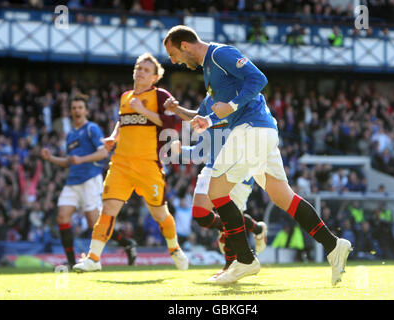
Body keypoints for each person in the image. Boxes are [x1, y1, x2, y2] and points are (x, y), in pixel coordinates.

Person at [163, 25, 351, 285]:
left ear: (184, 45)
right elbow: (221, 109)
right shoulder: (209, 70)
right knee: (282, 196)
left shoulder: (219, 54)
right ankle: (333, 245)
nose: (174, 62)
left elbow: (258, 78)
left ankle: (245, 260)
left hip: (251, 130)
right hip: (260, 131)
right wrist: (208, 119)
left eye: (173, 54)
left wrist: (230, 105)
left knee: (216, 191)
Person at [73, 53, 189, 272]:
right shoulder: (126, 96)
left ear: (155, 77)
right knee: (107, 209)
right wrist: (113, 137)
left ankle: (175, 249)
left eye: (146, 70)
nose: (140, 71)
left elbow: (171, 125)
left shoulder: (160, 95)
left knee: (160, 214)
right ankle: (93, 259)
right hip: (121, 164)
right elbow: (122, 121)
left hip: (148, 165)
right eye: (138, 67)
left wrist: (143, 110)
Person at [164, 94, 268, 280]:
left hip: (239, 168)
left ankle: (229, 267)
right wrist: (180, 151)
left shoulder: (242, 98)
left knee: (231, 220)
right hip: (212, 168)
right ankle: (253, 228)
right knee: (200, 214)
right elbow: (199, 150)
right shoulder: (209, 101)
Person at [40, 94, 137, 269]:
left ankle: (127, 243)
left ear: (86, 111)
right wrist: (51, 158)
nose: (77, 111)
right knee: (62, 217)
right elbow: (69, 161)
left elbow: (103, 153)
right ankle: (71, 262)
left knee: (95, 224)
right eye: (74, 108)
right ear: (71, 111)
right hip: (72, 182)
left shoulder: (92, 129)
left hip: (90, 180)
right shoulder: (71, 134)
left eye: (80, 107)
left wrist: (82, 159)